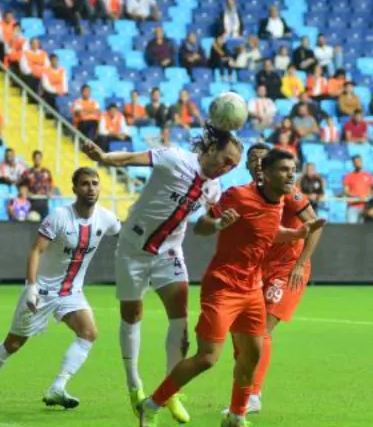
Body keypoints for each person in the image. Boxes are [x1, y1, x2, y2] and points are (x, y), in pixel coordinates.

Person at [137, 149, 324, 427]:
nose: (290, 175)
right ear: (266, 172)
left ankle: (237, 416)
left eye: (292, 169)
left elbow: (267, 231)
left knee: (251, 355)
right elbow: (201, 225)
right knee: (207, 358)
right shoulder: (239, 195)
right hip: (224, 286)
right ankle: (151, 405)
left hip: (252, 288)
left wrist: (296, 234)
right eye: (284, 169)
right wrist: (217, 223)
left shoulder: (280, 200)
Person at [82, 129, 243, 424]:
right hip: (133, 249)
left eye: (233, 165)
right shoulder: (174, 158)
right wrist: (103, 157)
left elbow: (203, 225)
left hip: (169, 253)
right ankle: (135, 385)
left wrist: (219, 222)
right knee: (132, 315)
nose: (227, 167)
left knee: (180, 318)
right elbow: (130, 158)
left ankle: (170, 389)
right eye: (226, 159)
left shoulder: (214, 188)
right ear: (210, 149)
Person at [0, 167, 120, 408]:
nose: (91, 188)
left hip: (71, 292)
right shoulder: (59, 216)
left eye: (95, 183)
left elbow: (123, 235)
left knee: (89, 333)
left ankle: (57, 387)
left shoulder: (106, 218)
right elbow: (36, 250)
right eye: (85, 184)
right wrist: (31, 286)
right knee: (14, 344)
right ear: (74, 189)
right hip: (42, 291)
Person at [235, 144, 325, 414]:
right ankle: (244, 388)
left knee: (262, 329)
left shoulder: (290, 193)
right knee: (240, 331)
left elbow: (315, 225)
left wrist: (300, 264)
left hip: (286, 268)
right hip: (259, 267)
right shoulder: (246, 195)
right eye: (253, 160)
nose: (257, 164)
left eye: (262, 160)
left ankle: (253, 395)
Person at [21, 150, 54, 219]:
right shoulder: (27, 172)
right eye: (35, 158)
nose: (37, 160)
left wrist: (50, 192)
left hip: (44, 201)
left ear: (41, 159)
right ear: (33, 159)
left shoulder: (46, 172)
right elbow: (22, 185)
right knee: (33, 221)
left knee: (45, 225)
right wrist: (26, 192)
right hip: (32, 201)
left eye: (39, 158)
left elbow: (51, 184)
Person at [343, 155, 373, 223]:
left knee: (362, 230)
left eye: (359, 161)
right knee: (351, 229)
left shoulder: (368, 176)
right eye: (356, 162)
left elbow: (371, 191)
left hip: (365, 207)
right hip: (352, 207)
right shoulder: (348, 176)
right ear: (353, 163)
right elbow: (346, 192)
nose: (358, 163)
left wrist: (367, 197)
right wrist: (358, 197)